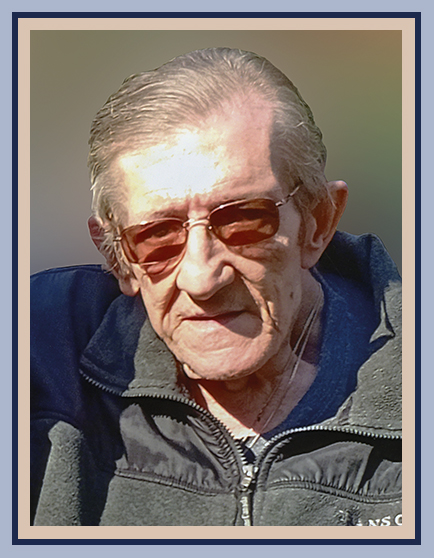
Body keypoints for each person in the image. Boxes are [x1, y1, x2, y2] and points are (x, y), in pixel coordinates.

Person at [30, 48, 402, 527]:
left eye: (245, 221)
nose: (202, 278)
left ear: (317, 223)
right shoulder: (41, 354)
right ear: (117, 257)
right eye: (157, 235)